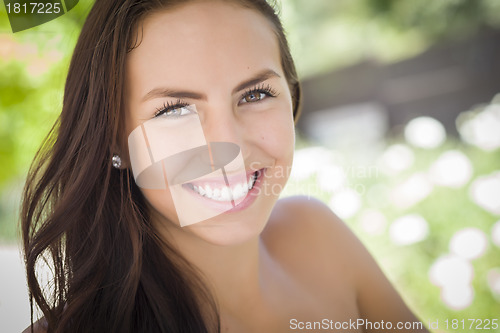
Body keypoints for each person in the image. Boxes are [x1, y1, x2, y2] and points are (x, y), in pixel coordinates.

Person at [21, 0, 429, 332]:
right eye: (176, 109)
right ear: (114, 139)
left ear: (292, 95)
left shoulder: (317, 234)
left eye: (254, 95)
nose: (228, 144)